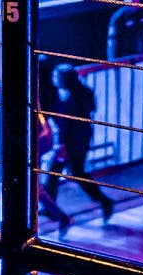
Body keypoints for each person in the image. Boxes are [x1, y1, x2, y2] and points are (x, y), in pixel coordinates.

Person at [40, 64, 115, 235]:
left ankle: (104, 201)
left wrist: (63, 143)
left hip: (75, 142)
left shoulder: (78, 95)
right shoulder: (66, 93)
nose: (54, 80)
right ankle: (52, 207)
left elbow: (73, 121)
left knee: (76, 172)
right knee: (56, 171)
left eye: (57, 77)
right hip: (69, 140)